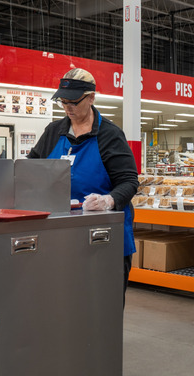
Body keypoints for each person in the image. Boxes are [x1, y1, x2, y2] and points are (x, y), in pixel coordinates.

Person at [28, 68, 139, 303]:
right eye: (63, 102)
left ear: (91, 98)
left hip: (103, 236)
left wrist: (109, 200)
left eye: (74, 102)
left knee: (103, 303)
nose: (68, 108)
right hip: (60, 236)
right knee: (64, 303)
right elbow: (31, 168)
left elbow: (129, 181)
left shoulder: (110, 135)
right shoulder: (53, 132)